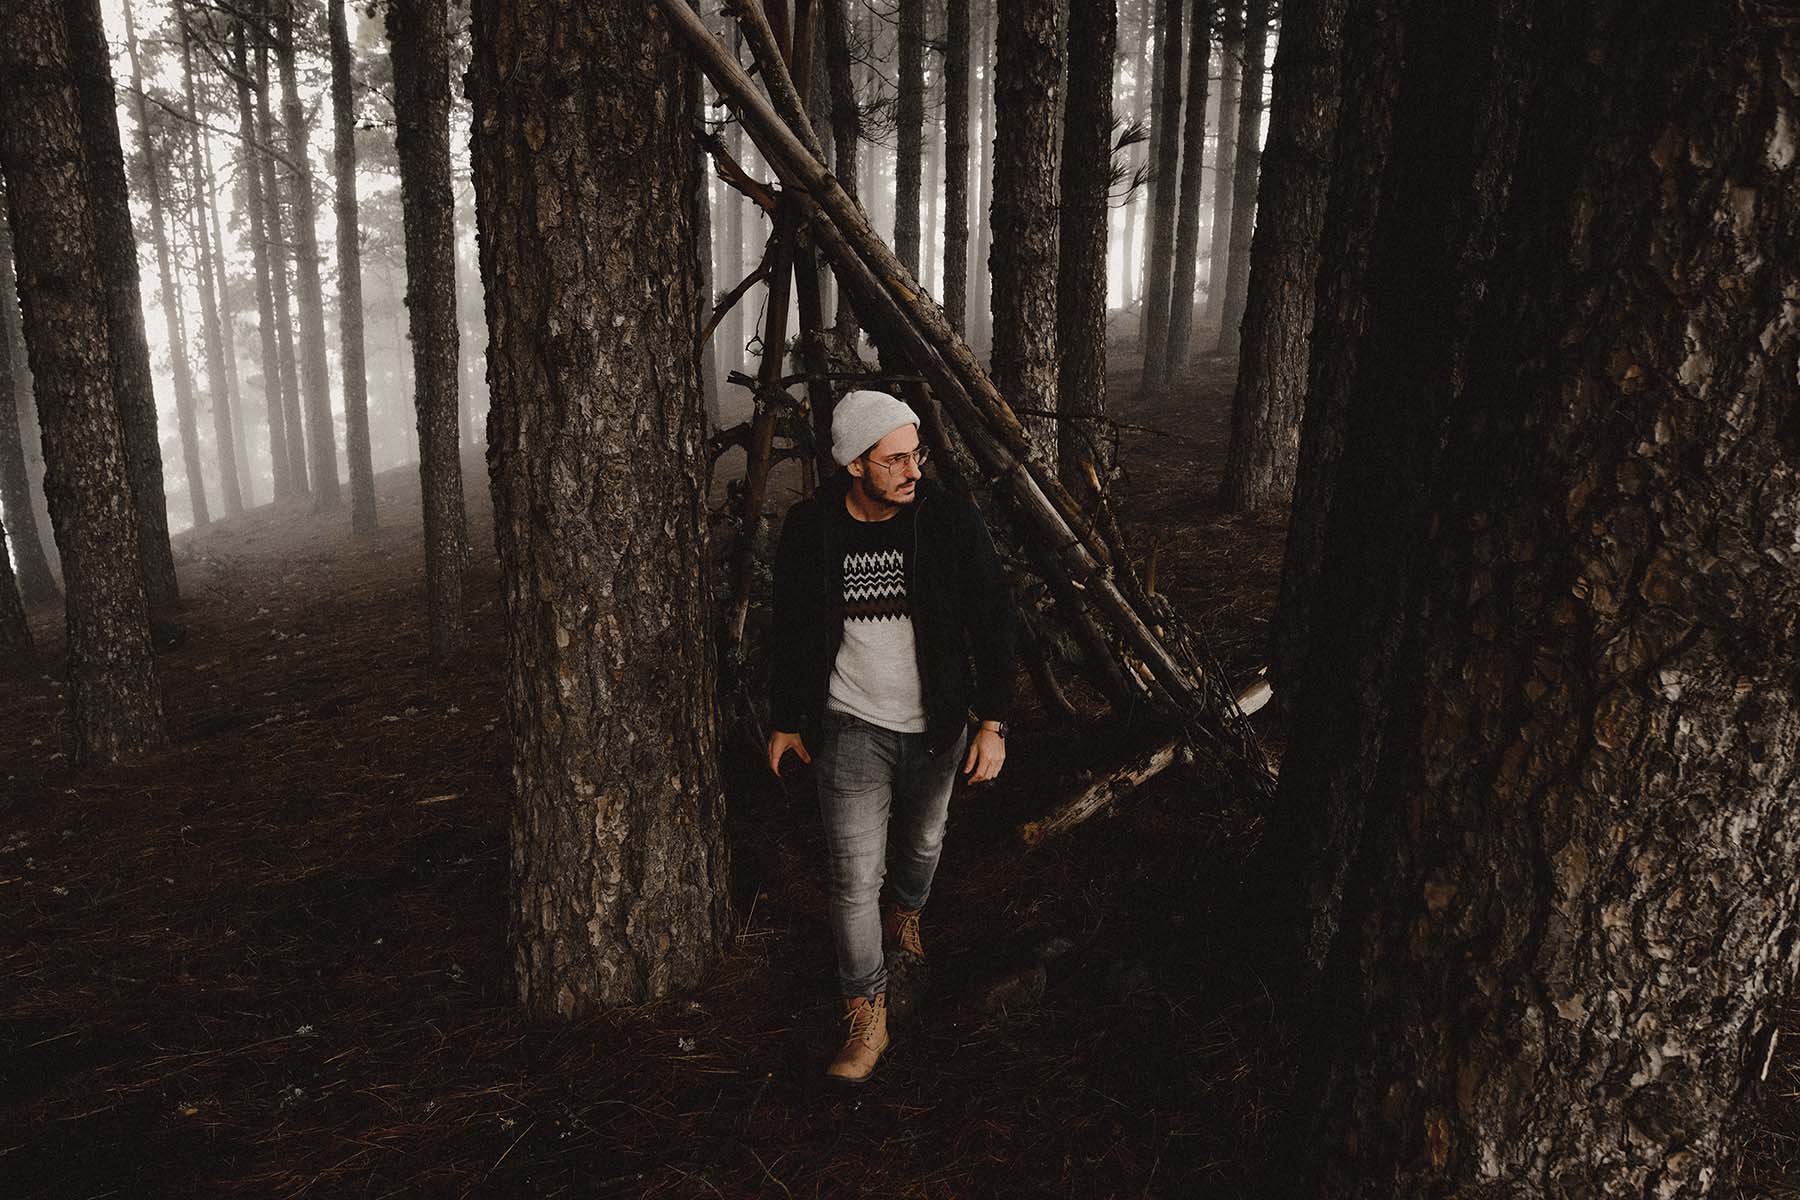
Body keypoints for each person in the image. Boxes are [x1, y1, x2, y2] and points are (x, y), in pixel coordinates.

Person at [766, 389, 1017, 1086]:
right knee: (853, 877)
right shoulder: (811, 529)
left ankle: (905, 916)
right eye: (896, 459)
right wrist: (786, 718)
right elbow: (792, 626)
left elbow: (994, 618)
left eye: (917, 454)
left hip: (936, 725)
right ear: (854, 464)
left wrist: (993, 722)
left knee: (924, 843)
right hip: (850, 726)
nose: (914, 470)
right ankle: (867, 1011)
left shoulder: (947, 519)